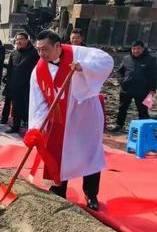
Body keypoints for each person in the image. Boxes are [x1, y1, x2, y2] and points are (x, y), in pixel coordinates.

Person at [29, 30, 113, 211]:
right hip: (60, 119)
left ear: (58, 46)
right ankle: (58, 191)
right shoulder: (39, 70)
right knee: (59, 154)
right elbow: (39, 101)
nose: (42, 54)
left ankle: (91, 194)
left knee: (89, 156)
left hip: (85, 116)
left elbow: (106, 60)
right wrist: (36, 128)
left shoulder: (78, 53)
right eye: (38, 50)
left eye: (45, 49)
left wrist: (85, 68)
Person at [112, 40, 157, 131]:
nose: (136, 51)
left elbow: (154, 75)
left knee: (143, 110)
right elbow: (119, 71)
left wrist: (152, 90)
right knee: (122, 108)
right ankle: (119, 125)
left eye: (138, 49)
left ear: (143, 49)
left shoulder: (151, 59)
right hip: (126, 89)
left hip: (143, 91)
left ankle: (144, 128)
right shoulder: (126, 58)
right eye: (134, 49)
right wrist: (122, 81)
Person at [4, 32, 39, 133]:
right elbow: (10, 69)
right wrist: (8, 82)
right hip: (15, 84)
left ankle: (30, 127)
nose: (18, 41)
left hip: (28, 85)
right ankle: (15, 127)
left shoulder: (34, 53)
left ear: (27, 40)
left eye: (21, 39)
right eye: (17, 39)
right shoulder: (14, 53)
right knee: (16, 106)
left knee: (28, 106)